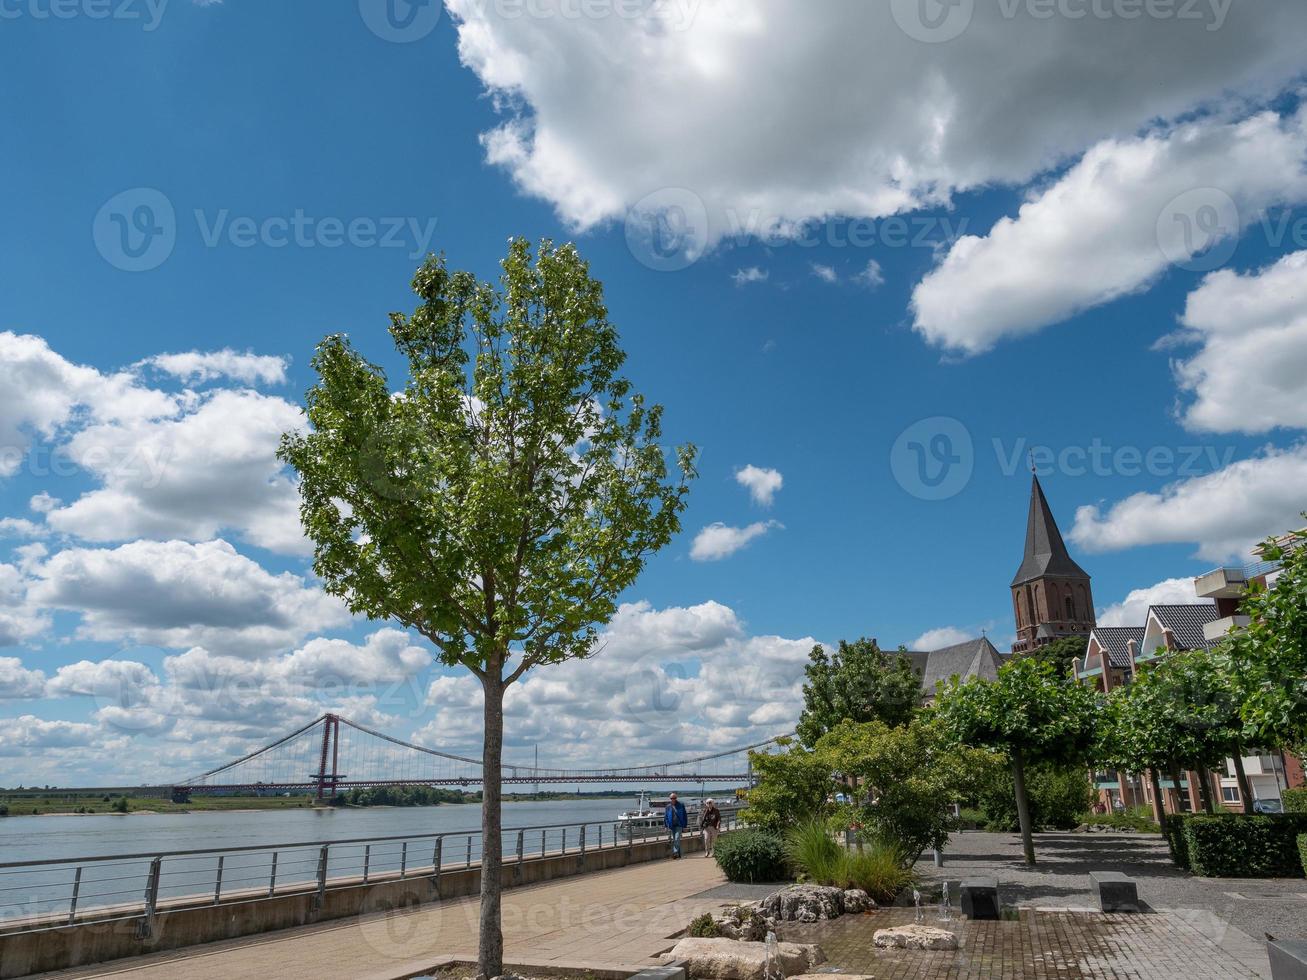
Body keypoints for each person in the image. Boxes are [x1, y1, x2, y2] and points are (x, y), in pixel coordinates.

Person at [664, 792, 688, 859]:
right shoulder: (668, 807)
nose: (673, 799)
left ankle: (675, 853)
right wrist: (666, 826)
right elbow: (665, 817)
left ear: (676, 798)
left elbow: (685, 816)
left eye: (674, 798)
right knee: (675, 840)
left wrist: (685, 826)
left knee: (677, 838)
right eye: (671, 798)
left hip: (679, 825)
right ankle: (679, 855)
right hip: (672, 825)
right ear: (670, 799)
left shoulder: (681, 805)